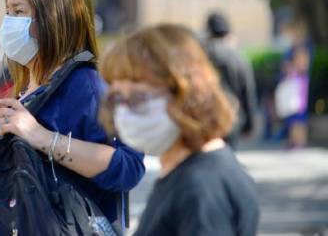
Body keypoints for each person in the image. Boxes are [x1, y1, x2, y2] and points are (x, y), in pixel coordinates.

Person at [0, 0, 145, 227]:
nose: (9, 24)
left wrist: (42, 138)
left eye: (18, 12)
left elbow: (128, 167)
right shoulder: (26, 88)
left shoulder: (86, 86)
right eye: (8, 12)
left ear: (53, 18)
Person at [99, 24, 259, 236]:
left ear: (186, 93)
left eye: (138, 97)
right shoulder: (184, 171)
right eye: (117, 97)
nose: (124, 112)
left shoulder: (202, 188)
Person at [204, 12, 259, 148]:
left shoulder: (201, 55)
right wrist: (250, 125)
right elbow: (248, 91)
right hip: (233, 119)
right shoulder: (238, 57)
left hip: (206, 119)